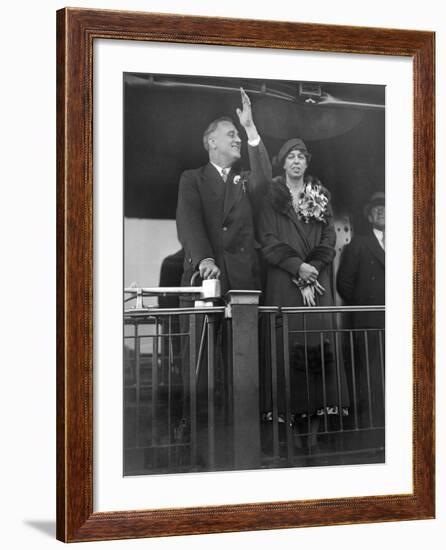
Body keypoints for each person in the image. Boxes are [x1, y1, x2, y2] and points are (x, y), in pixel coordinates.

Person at [257, 138, 349, 450]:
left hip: (318, 283)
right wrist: (298, 269)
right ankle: (292, 438)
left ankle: (313, 435)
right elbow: (267, 239)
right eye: (290, 157)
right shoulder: (271, 195)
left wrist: (312, 270)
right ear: (282, 163)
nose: (296, 162)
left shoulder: (320, 195)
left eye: (301, 157)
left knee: (319, 354)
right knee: (288, 353)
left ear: (306, 163)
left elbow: (328, 235)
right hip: (285, 283)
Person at [176, 88, 271, 295]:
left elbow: (264, 180)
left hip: (243, 282)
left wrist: (249, 127)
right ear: (212, 142)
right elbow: (189, 223)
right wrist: (205, 259)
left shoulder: (245, 179)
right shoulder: (192, 179)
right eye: (231, 134)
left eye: (238, 135)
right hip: (206, 278)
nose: (238, 139)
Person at [336, 191, 385, 450]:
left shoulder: (406, 242)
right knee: (371, 381)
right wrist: (367, 308)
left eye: (386, 207)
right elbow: (343, 283)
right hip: (369, 325)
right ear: (368, 215)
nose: (382, 211)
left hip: (397, 326)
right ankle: (371, 438)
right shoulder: (358, 243)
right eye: (376, 208)